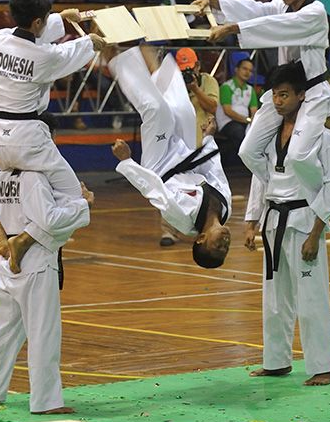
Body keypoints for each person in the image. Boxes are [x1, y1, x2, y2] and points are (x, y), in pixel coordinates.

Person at [0, 119, 94, 415]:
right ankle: (45, 401)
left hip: (6, 260)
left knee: (2, 329)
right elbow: (51, 220)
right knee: (43, 331)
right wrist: (82, 204)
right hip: (37, 261)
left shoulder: (1, 177)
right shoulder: (35, 179)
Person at [0, 0, 106, 270]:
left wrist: (61, 20)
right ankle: (25, 239)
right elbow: (65, 51)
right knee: (77, 198)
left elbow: (33, 35)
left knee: (31, 193)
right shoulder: (45, 58)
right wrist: (92, 41)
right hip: (29, 138)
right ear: (39, 20)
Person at [243, 62, 330, 387]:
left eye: (285, 94)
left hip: (303, 222)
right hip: (273, 221)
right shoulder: (269, 138)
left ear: (303, 96)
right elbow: (262, 179)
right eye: (274, 95)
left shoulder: (322, 138)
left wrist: (317, 232)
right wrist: (252, 219)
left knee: (311, 296)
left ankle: (321, 366)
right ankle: (276, 361)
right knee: (274, 297)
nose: (278, 101)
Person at [194, 0, 330, 188]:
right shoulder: (282, 6)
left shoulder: (315, 13)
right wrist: (216, 2)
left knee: (299, 156)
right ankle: (278, 188)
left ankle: (318, 194)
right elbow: (257, 9)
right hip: (282, 91)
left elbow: (279, 25)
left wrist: (232, 28)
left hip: (311, 93)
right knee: (248, 150)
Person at [108, 45, 232, 268]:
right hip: (185, 157)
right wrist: (208, 139)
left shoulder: (184, 219)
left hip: (160, 165)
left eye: (218, 247)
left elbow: (153, 190)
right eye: (226, 248)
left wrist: (127, 162)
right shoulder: (226, 207)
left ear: (201, 239)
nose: (225, 243)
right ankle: (150, 53)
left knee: (158, 110)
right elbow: (214, 170)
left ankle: (116, 57)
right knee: (184, 109)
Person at [158, 47, 218, 247]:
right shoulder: (171, 84)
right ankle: (168, 231)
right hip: (176, 145)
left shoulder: (208, 81)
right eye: (181, 69)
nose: (185, 74)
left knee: (204, 190)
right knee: (171, 190)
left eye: (189, 69)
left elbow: (212, 107)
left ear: (198, 66)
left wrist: (195, 88)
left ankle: (202, 228)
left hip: (200, 145)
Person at [216, 57, 257, 165]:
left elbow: (254, 110)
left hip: (245, 122)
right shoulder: (226, 87)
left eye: (250, 70)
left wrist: (253, 121)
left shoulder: (250, 89)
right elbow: (228, 111)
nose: (247, 72)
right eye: (244, 68)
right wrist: (248, 120)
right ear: (236, 69)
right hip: (227, 122)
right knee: (239, 132)